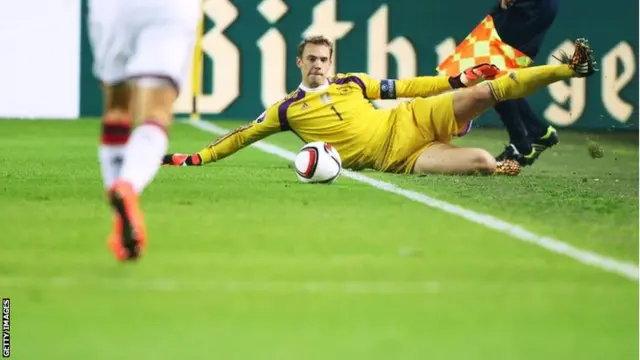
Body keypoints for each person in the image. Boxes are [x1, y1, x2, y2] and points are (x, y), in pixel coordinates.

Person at [163, 35, 596, 177]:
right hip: (403, 157)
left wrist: (454, 81)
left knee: (486, 92)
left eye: (323, 58)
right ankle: (492, 159)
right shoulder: (286, 110)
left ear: (331, 62)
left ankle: (568, 69)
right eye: (311, 59)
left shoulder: (354, 82)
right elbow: (240, 136)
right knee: (484, 161)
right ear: (299, 62)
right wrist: (193, 158)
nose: (317, 64)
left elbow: (406, 84)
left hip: (413, 117)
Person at [88, 0, 200, 261]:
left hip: (113, 8)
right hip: (168, 8)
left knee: (116, 107)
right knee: (156, 114)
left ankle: (120, 220)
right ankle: (127, 185)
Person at [438, 0, 561, 166]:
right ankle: (535, 133)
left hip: (528, 7)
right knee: (496, 70)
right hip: (540, 7)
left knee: (492, 70)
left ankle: (523, 142)